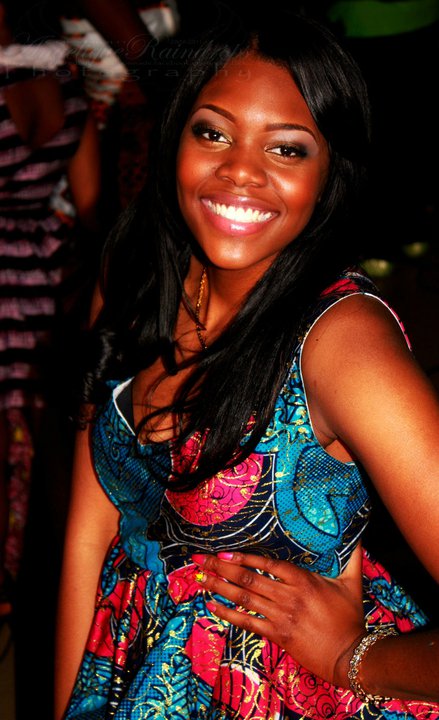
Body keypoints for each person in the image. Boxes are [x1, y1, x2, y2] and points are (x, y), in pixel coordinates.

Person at [55, 7, 439, 719]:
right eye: (213, 132)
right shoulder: (133, 278)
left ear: (329, 173)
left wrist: (354, 658)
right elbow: (89, 535)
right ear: (174, 136)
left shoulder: (342, 344)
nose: (239, 171)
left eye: (287, 149)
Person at [0, 0, 100, 629]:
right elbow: (90, 207)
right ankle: (38, 591)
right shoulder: (64, 77)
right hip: (46, 276)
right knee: (44, 451)